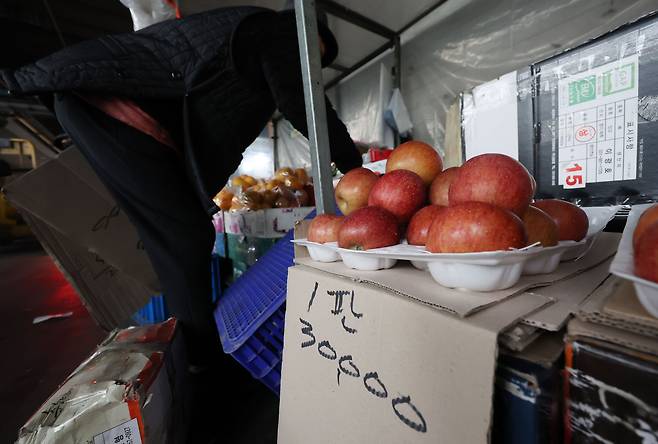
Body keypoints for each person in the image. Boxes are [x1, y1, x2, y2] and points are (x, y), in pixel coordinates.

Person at [1, 6, 362, 370]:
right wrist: (356, 168)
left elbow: (209, 132)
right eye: (315, 53)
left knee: (181, 240)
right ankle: (200, 365)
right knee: (184, 240)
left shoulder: (255, 57)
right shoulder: (276, 31)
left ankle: (193, 360)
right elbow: (302, 101)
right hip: (110, 105)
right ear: (302, 32)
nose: (312, 67)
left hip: (108, 111)